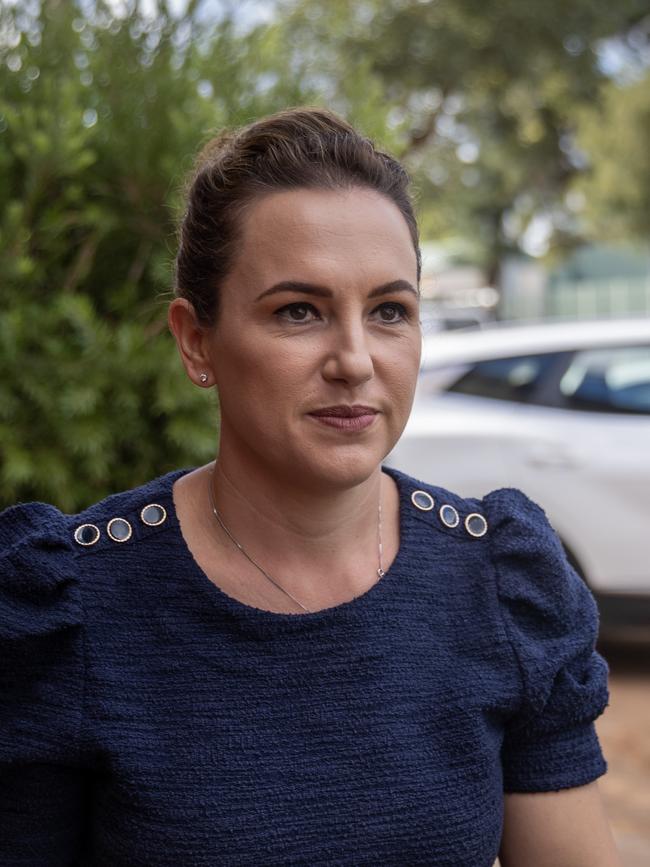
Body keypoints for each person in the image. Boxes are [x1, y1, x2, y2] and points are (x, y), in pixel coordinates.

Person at [0, 107, 621, 867]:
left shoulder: (504, 587)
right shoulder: (70, 610)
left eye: (389, 311)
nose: (354, 359)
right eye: (300, 311)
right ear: (197, 340)